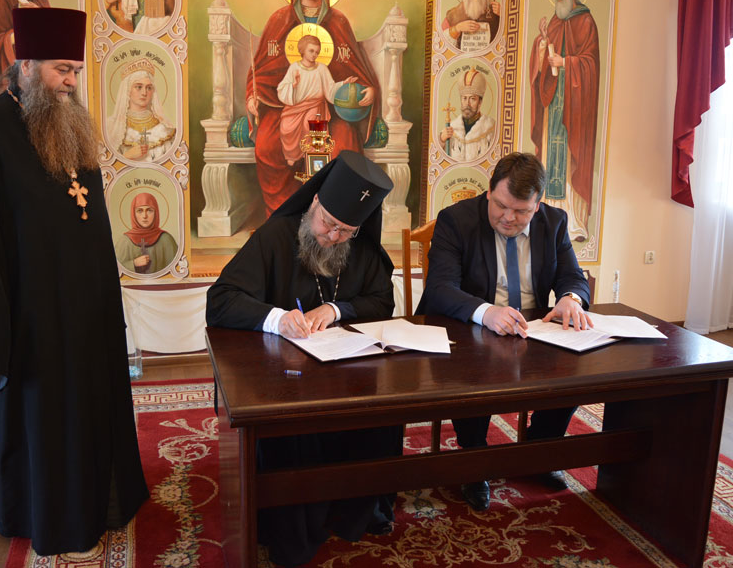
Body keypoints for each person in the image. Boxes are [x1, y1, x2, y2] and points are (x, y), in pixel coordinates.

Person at [0, 7, 149, 555]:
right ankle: (45, 513)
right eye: (61, 69)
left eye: (75, 70)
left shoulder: (70, 123)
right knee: (42, 423)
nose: (71, 82)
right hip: (27, 318)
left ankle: (95, 498)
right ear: (25, 64)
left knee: (87, 411)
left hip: (85, 311)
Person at [207, 150, 402, 567]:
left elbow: (382, 301)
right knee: (297, 424)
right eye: (328, 223)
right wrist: (277, 319)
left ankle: (357, 511)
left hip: (345, 372)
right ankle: (296, 527)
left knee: (383, 411)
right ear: (314, 203)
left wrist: (336, 309)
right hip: (284, 378)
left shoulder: (359, 246)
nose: (333, 236)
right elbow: (220, 300)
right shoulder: (276, 237)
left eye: (345, 231)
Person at [417, 152, 592, 512]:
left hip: (530, 331)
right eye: (500, 205)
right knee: (471, 373)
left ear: (537, 206)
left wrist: (571, 299)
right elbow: (439, 288)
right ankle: (475, 461)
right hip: (469, 331)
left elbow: (573, 277)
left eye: (521, 211)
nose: (508, 218)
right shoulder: (456, 220)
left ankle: (539, 450)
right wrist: (486, 312)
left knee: (577, 366)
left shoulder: (554, 223)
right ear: (489, 192)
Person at [246, 0, 381, 216]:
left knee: (343, 146)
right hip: (285, 107)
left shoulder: (339, 22)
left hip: (329, 109)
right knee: (268, 146)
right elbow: (260, 71)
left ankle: (332, 214)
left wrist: (369, 90)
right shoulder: (279, 20)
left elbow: (356, 67)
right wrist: (252, 96)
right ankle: (283, 215)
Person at [529, 0, 600, 242]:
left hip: (575, 107)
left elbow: (591, 64)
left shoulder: (586, 21)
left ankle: (572, 222)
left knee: (569, 159)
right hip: (553, 105)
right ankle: (546, 218)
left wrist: (566, 63)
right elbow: (545, 61)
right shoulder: (556, 21)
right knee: (550, 157)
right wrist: (543, 42)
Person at [276, 34, 357, 165]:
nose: (314, 55)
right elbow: (282, 88)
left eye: (317, 52)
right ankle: (293, 155)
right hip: (295, 106)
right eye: (311, 51)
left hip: (315, 105)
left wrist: (343, 84)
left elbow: (330, 88)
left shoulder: (322, 68)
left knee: (309, 125)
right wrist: (293, 85)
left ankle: (312, 157)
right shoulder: (294, 67)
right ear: (303, 50)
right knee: (286, 126)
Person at [106, 58, 176, 161]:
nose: (144, 93)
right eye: (138, 87)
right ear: (127, 90)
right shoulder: (112, 126)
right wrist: (127, 157)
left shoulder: (164, 128)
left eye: (149, 88)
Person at [439, 68, 495, 162]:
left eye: (472, 99)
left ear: (480, 102)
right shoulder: (452, 127)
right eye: (464, 98)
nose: (467, 104)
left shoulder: (490, 127)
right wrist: (441, 140)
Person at [115, 191, 178, 274]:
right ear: (133, 213)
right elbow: (112, 268)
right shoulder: (124, 241)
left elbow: (176, 268)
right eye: (140, 211)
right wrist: (134, 263)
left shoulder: (167, 240)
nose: (144, 216)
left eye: (149, 210)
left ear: (156, 212)